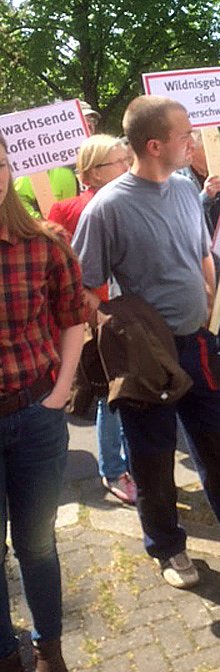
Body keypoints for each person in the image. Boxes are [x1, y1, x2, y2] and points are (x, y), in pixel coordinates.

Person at [72, 96, 220, 591]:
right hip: (146, 360)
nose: (192, 141)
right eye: (184, 135)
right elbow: (84, 287)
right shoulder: (107, 207)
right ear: (154, 145)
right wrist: (125, 331)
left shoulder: (181, 189)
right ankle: (167, 549)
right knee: (152, 458)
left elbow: (201, 252)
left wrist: (210, 289)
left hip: (198, 344)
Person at [0, 132, 86, 671]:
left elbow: (73, 321)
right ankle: (7, 654)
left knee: (36, 545)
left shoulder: (46, 242)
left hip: (35, 417)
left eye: (0, 161)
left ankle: (48, 646)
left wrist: (60, 393)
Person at [47, 135, 137, 505]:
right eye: (118, 161)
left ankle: (137, 463)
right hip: (97, 318)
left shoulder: (135, 199)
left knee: (136, 391)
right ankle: (114, 470)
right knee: (109, 396)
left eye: (126, 159)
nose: (126, 167)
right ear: (92, 172)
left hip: (134, 313)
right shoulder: (66, 210)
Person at [178, 132, 220, 379]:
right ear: (193, 149)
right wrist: (205, 196)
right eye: (209, 147)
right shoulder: (180, 177)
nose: (214, 154)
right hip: (198, 256)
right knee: (207, 314)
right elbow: (183, 214)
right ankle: (208, 366)